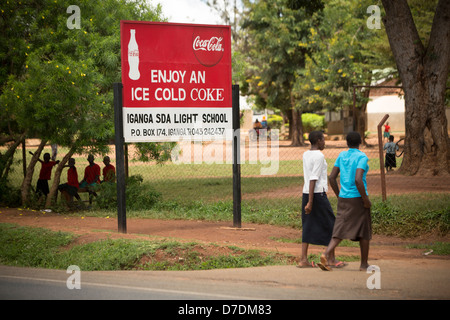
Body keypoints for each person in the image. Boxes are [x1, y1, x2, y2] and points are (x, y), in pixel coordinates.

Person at [318, 131, 372, 271]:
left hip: (344, 197)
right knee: (364, 231)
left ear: (347, 143)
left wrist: (339, 194)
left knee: (340, 229)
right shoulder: (362, 157)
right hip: (358, 198)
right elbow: (358, 179)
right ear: (360, 142)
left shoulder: (342, 155)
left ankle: (326, 253)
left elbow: (332, 178)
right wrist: (365, 200)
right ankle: (363, 264)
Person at [298, 131, 344, 268]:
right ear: (318, 140)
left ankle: (303, 259)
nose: (324, 142)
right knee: (332, 224)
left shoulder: (306, 154)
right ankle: (331, 259)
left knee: (307, 224)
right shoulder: (319, 156)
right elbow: (313, 178)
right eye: (323, 139)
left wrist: (308, 199)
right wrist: (311, 202)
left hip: (306, 192)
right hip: (317, 194)